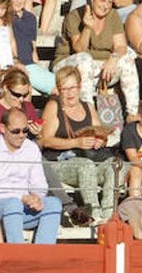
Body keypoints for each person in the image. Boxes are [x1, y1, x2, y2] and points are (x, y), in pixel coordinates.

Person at [39, 65, 118, 223]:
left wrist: (99, 140)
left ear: (80, 87)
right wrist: (76, 142)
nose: (69, 93)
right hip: (60, 161)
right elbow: (45, 140)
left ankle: (107, 215)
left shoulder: (88, 106)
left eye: (72, 88)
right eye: (64, 89)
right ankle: (93, 214)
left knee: (114, 166)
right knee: (85, 165)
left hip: (88, 157)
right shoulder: (54, 107)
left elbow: (99, 132)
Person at [0, 107, 63, 244]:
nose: (21, 135)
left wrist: (37, 197)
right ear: (3, 128)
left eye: (25, 130)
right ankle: (17, 252)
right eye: (16, 131)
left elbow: (39, 184)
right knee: (13, 204)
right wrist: (22, 198)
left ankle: (44, 254)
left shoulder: (31, 148)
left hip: (26, 206)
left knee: (53, 203)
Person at [52, 0, 139, 120]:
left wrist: (113, 59)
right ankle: (89, 113)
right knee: (85, 59)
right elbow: (79, 49)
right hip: (69, 66)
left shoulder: (113, 15)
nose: (106, 6)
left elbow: (121, 46)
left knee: (128, 55)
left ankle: (132, 114)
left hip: (99, 66)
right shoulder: (74, 15)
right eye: (102, 1)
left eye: (109, 2)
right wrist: (87, 27)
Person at [0, 68, 39, 142]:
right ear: (5, 88)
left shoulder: (28, 107)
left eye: (25, 95)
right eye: (17, 95)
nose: (21, 99)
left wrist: (37, 133)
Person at [10, 0, 54, 95]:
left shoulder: (30, 18)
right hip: (16, 64)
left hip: (30, 64)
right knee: (57, 87)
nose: (18, 2)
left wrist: (34, 52)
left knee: (61, 83)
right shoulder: (5, 18)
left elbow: (32, 40)